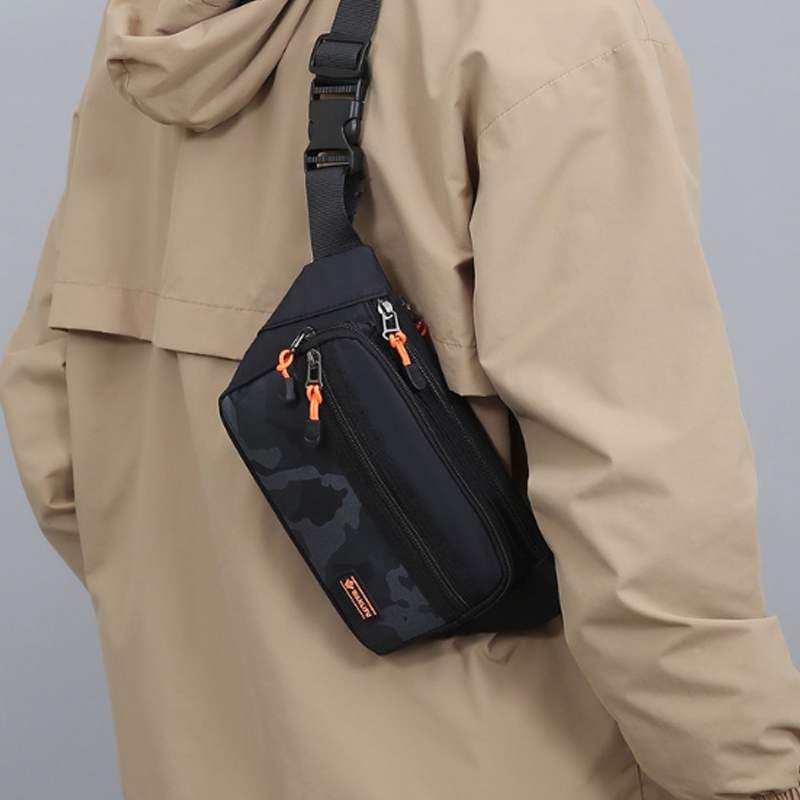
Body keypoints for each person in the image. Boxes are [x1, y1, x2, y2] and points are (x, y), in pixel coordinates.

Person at [2, 0, 799, 798]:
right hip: (503, 760)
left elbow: (52, 425)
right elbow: (643, 527)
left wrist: (223, 633)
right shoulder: (543, 28)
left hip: (193, 754)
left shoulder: (146, 36)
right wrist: (756, 780)